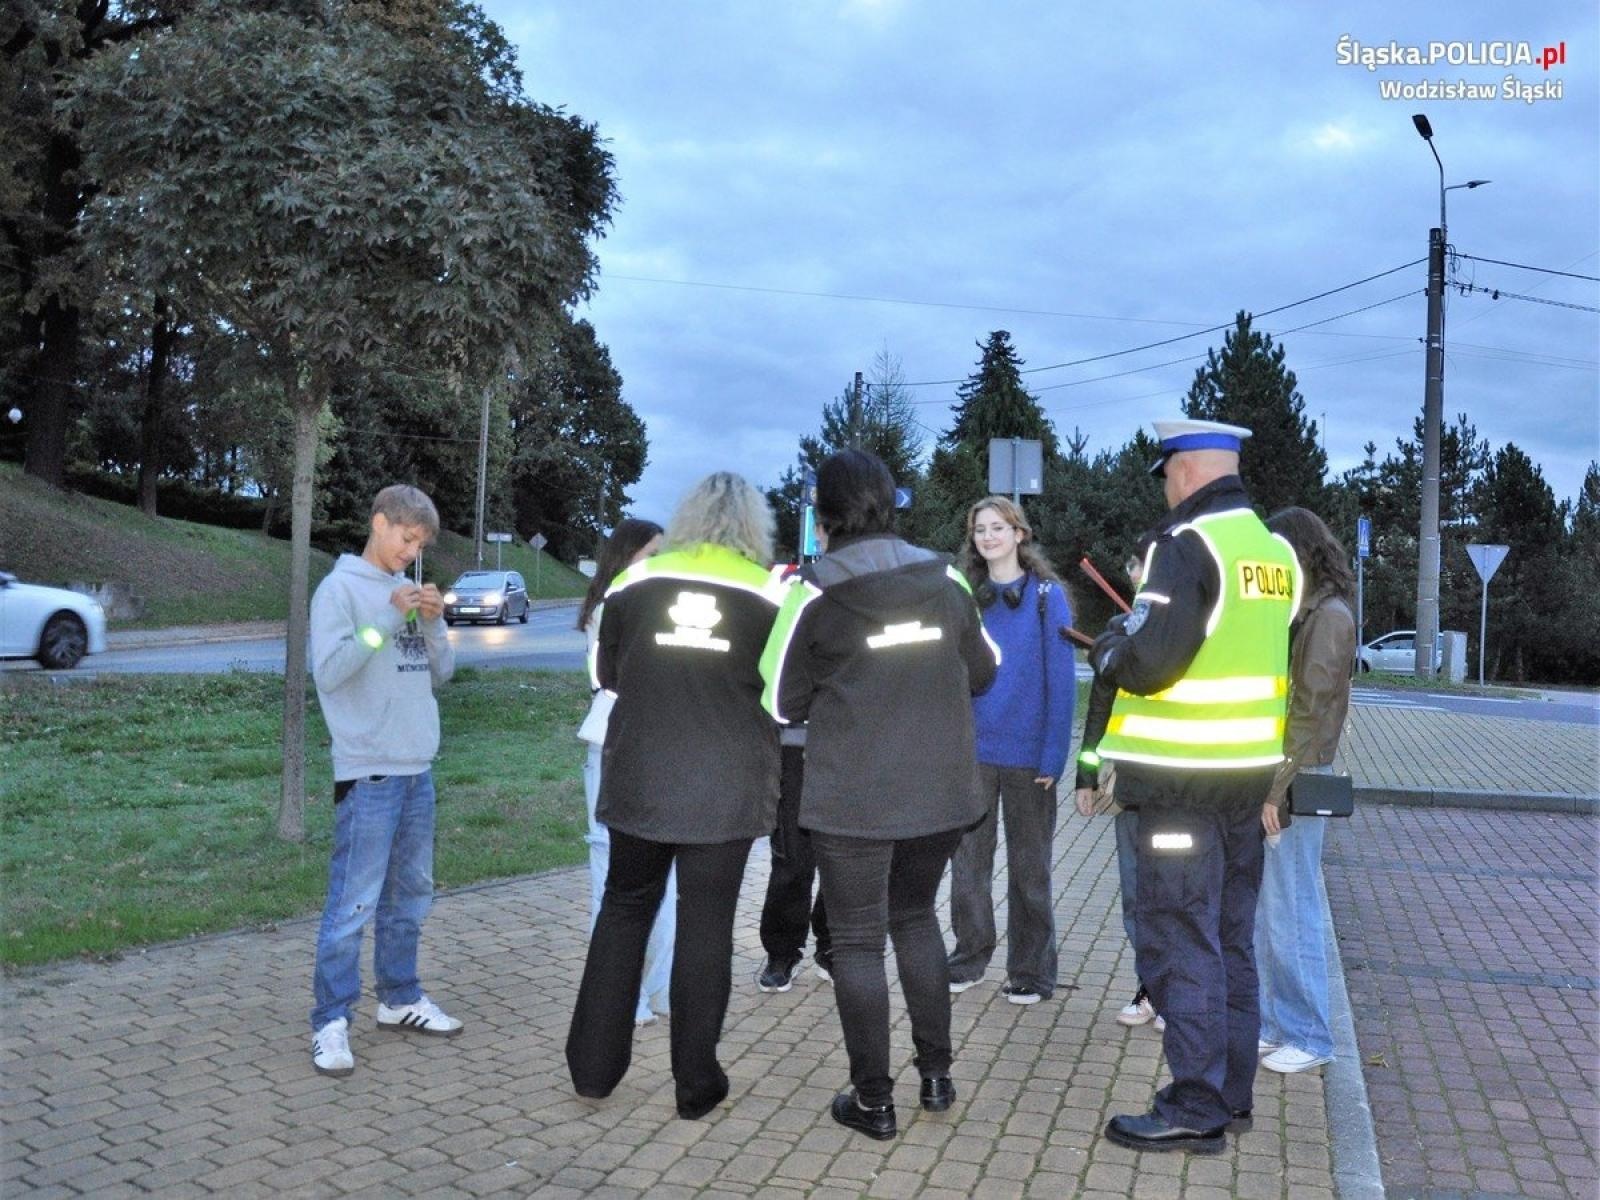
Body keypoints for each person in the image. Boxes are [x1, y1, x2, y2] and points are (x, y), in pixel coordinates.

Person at [761, 449, 998, 1141]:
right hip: (940, 794)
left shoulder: (813, 590)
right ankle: (936, 1076)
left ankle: (873, 1101)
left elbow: (779, 699)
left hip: (854, 799)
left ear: (824, 514)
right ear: (894, 503)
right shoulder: (945, 576)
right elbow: (983, 671)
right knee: (916, 920)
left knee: (859, 942)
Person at [1090, 419, 1300, 1155]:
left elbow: (1149, 661)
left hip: (1182, 782)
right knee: (1229, 938)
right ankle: (1230, 1096)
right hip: (1245, 778)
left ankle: (1196, 1103)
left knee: (1180, 938)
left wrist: (1112, 645)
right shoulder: (1275, 554)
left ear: (1184, 471)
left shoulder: (1186, 548)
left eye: (1167, 473)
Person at [566, 472, 785, 1120]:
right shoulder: (771, 594)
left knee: (624, 909)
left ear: (686, 516)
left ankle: (593, 1070)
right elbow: (782, 695)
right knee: (707, 926)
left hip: (639, 776)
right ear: (753, 525)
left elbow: (605, 673)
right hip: (725, 787)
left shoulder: (636, 581)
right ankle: (696, 1085)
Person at [308, 484, 461, 1078]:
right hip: (368, 770)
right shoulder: (340, 590)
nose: (410, 550)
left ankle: (399, 999)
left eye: (419, 543)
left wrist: (433, 623)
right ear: (378, 523)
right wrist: (387, 614)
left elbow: (441, 675)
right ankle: (330, 1021)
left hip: (416, 768)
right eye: (405, 536)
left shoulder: (414, 595)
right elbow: (332, 672)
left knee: (409, 899)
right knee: (352, 904)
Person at [946, 496, 1076, 1005]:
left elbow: (1062, 683)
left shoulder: (1047, 596)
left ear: (1019, 534)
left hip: (1028, 759)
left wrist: (1053, 756)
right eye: (980, 529)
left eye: (998, 527)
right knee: (968, 867)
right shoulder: (966, 597)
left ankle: (1032, 971)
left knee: (1030, 870)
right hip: (974, 753)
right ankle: (970, 956)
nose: (989, 537)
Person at [1255, 507, 1356, 1075]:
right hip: (1286, 777)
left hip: (1295, 781)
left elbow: (1310, 711)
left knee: (1293, 907)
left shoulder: (1328, 618)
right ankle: (1276, 1023)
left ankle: (1311, 1035)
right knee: (1275, 907)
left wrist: (1275, 791)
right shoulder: (1310, 611)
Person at [575, 518, 671, 1026]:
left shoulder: (654, 603)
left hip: (658, 750)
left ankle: (658, 989)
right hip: (612, 747)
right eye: (652, 553)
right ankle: (620, 997)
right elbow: (605, 680)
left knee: (665, 880)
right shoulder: (612, 607)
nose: (660, 561)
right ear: (627, 555)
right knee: (612, 878)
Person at [1074, 540, 1160, 1030]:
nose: (1140, 580)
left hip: (1178, 787)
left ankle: (1176, 990)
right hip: (1128, 789)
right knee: (1136, 897)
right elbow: (1100, 713)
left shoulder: (1189, 633)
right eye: (1136, 572)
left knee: (1176, 894)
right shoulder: (1116, 634)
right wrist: (1087, 776)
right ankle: (1150, 987)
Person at [756, 550, 833, 994]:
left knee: (841, 858)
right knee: (791, 857)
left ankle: (831, 946)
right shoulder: (793, 587)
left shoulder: (866, 588)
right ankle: (781, 953)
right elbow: (772, 665)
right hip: (795, 745)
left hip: (848, 749)